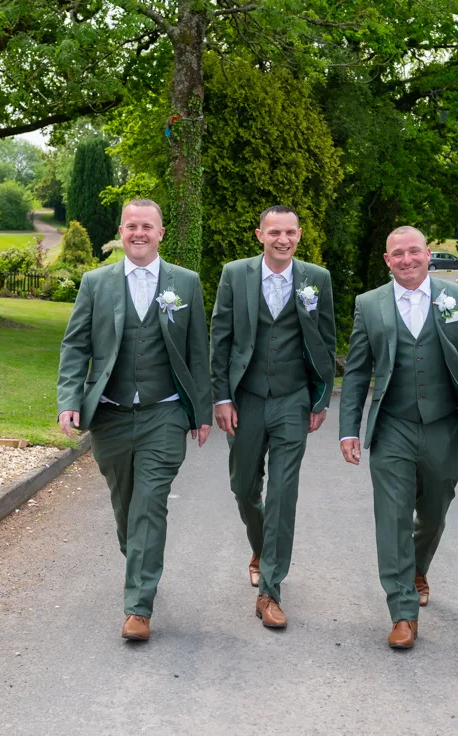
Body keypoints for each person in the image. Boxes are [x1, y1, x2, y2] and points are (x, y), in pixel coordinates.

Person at [56, 198, 213, 642]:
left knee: (150, 504)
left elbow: (198, 352)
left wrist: (200, 411)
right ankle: (140, 560)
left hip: (164, 412)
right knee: (126, 509)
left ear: (161, 233)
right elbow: (75, 346)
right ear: (120, 232)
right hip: (110, 414)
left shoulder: (185, 282)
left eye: (147, 226)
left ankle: (138, 608)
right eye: (131, 226)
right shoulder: (96, 282)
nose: (139, 233)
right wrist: (69, 399)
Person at [338, 226, 458, 650]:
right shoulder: (369, 304)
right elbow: (357, 371)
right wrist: (348, 428)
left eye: (414, 252)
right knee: (392, 518)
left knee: (434, 512)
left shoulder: (457, 298)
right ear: (387, 260)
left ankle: (418, 566)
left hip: (444, 425)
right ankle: (402, 612)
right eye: (397, 254)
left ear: (428, 254)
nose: (406, 260)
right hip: (392, 426)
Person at [210, 205, 336, 629]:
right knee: (244, 488)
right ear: (260, 235)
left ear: (299, 235)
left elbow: (325, 341)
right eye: (275, 232)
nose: (283, 239)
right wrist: (222, 398)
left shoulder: (317, 279)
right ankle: (262, 547)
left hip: (292, 400)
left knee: (283, 494)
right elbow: (221, 339)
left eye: (290, 233)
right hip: (245, 398)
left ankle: (270, 592)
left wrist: (320, 400)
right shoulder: (235, 274)